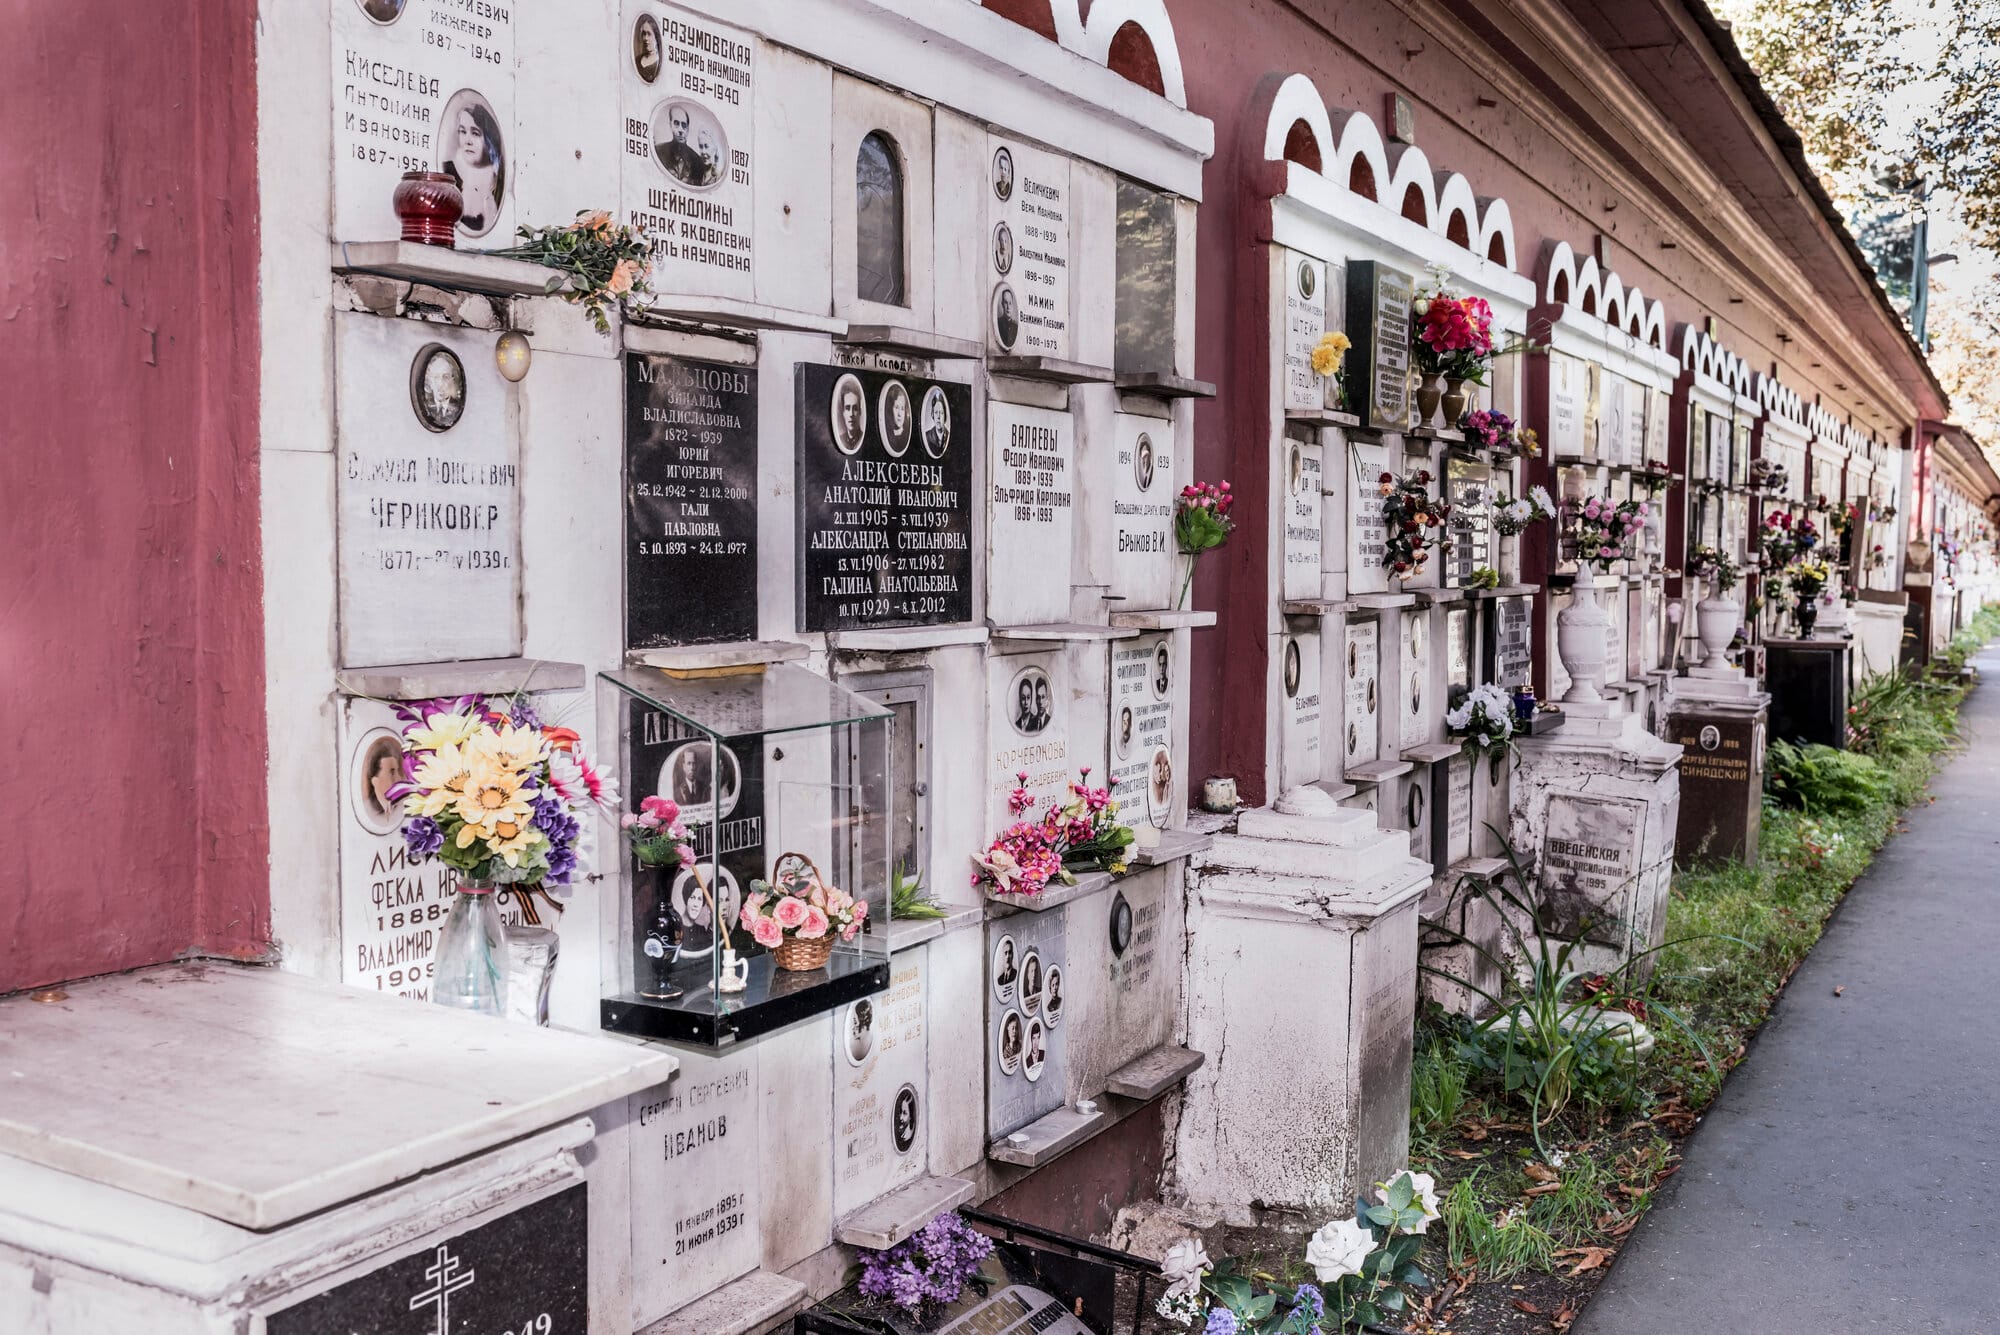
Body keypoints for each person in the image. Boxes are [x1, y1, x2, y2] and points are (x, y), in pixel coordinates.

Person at [442, 98, 504, 236]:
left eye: (475, 133)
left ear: (489, 140)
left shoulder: (495, 183)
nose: (467, 141)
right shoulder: (447, 175)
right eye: (463, 131)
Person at [655, 104, 715, 186]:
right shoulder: (659, 152)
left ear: (688, 128)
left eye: (684, 125)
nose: (680, 130)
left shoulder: (697, 162)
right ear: (670, 125)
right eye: (676, 123)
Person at [831, 375, 866, 455]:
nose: (851, 414)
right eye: (847, 408)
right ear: (843, 412)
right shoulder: (841, 438)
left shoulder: (861, 438)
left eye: (855, 408)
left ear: (860, 411)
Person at [669, 745, 712, 809]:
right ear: (684, 766)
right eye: (689, 763)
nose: (692, 768)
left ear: (697, 765)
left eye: (694, 763)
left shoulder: (706, 788)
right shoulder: (677, 792)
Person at [880, 381, 912, 457]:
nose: (899, 414)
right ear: (891, 409)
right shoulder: (888, 434)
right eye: (896, 408)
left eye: (902, 409)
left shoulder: (905, 437)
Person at [921, 387, 950, 458]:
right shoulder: (927, 436)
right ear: (932, 414)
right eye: (936, 412)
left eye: (941, 413)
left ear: (945, 415)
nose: (938, 417)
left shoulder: (948, 435)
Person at [632, 15, 662, 82]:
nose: (645, 38)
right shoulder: (637, 59)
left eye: (649, 34)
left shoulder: (658, 62)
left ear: (656, 37)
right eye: (643, 34)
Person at [893, 1085, 918, 1153]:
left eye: (904, 1113)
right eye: (900, 1112)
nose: (900, 1117)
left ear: (911, 1116)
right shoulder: (901, 1135)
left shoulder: (908, 1137)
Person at [993, 285, 1019, 349]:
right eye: (1005, 303)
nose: (1008, 307)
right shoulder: (998, 323)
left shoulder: (1015, 326)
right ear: (1002, 304)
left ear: (1012, 305)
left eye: (1010, 303)